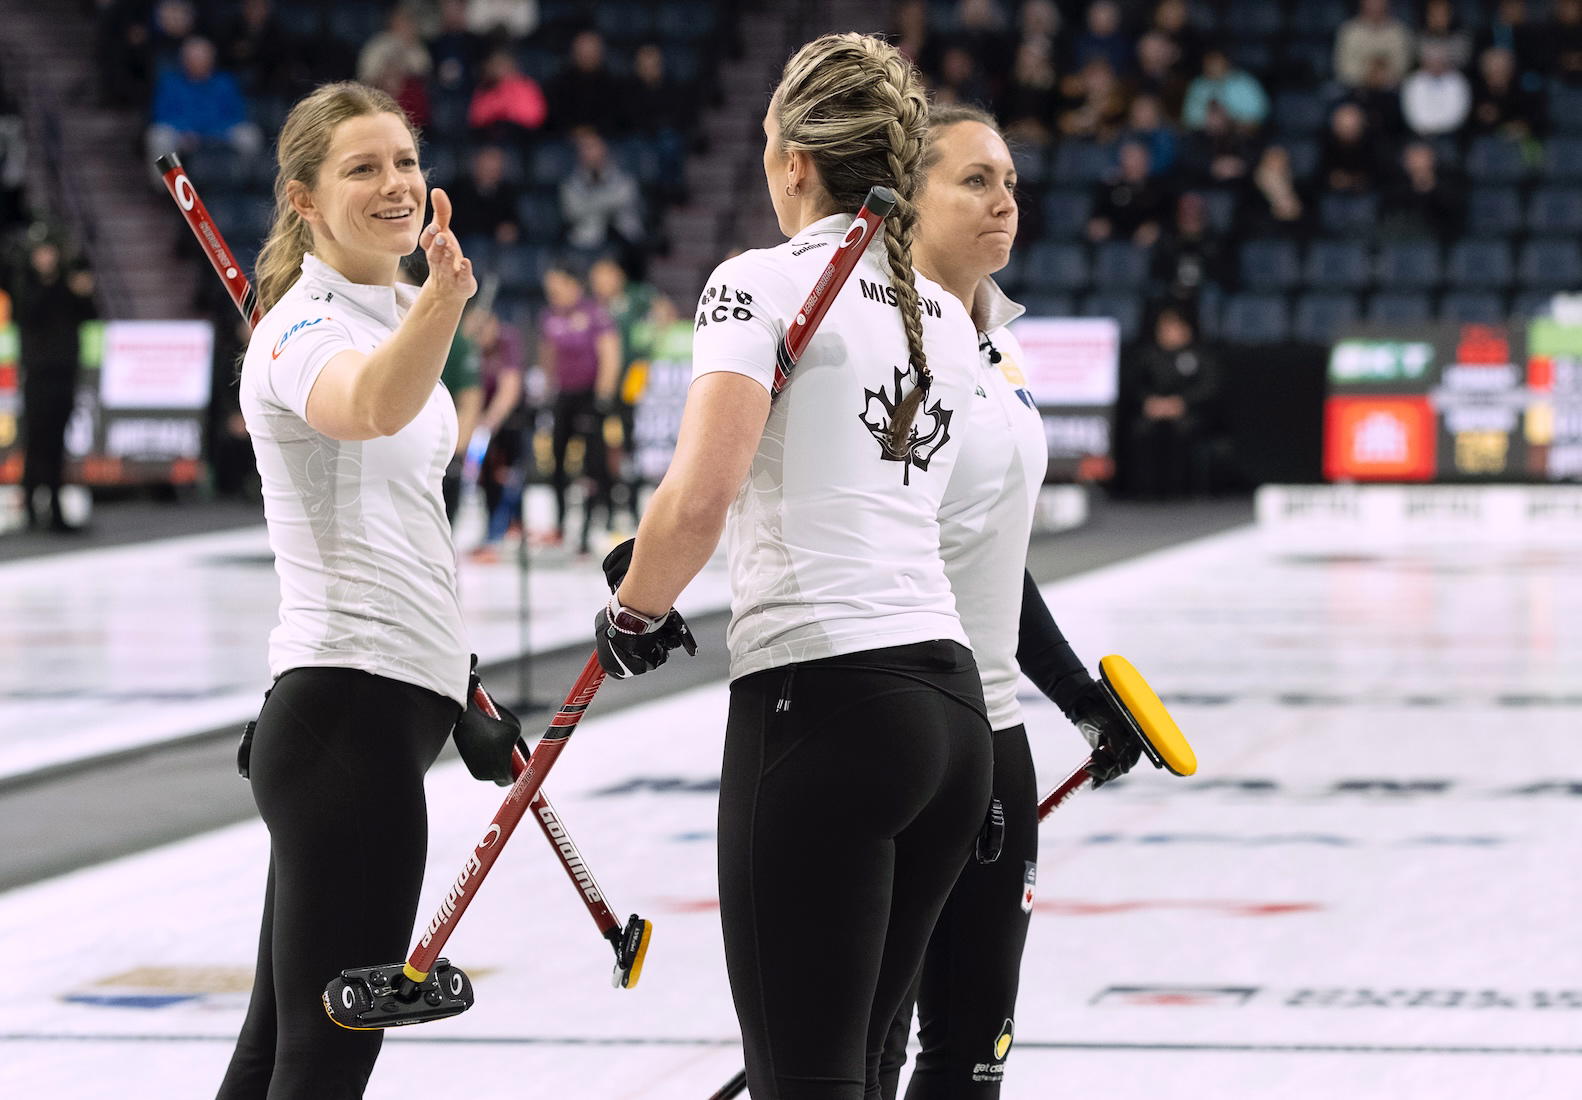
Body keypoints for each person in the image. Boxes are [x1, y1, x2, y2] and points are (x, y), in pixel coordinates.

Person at [592, 33, 990, 1099]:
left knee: (807, 1082)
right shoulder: (948, 315)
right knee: (856, 1067)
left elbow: (696, 500)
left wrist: (632, 612)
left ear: (794, 161)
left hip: (824, 704)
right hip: (948, 713)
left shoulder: (755, 282)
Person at [215, 81, 476, 1099]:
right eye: (362, 167)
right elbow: (367, 408)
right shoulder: (297, 329)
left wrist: (463, 681)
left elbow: (408, 525)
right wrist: (451, 300)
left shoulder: (403, 311)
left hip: (387, 703)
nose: (394, 183)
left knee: (277, 1052)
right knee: (321, 1065)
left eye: (404, 162)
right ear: (303, 199)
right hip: (344, 717)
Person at [878, 103, 1142, 1100]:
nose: (1004, 202)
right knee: (863, 1049)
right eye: (974, 181)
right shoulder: (886, 345)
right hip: (902, 727)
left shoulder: (999, 342)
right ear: (906, 200)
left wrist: (1081, 696)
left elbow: (993, 555)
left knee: (972, 1049)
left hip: (990, 732)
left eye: (1011, 183)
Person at [12, 239, 96, 532]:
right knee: (37, 443)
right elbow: (32, 311)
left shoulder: (66, 288)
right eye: (42, 254)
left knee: (57, 445)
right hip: (37, 377)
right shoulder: (26, 287)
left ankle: (54, 510)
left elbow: (89, 313)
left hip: (64, 375)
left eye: (51, 253)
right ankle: (34, 508)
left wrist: (84, 290)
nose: (47, 259)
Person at [539, 263, 618, 554]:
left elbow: (609, 354)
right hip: (564, 396)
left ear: (574, 286)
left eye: (558, 289)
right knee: (557, 460)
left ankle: (589, 527)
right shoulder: (550, 316)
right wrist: (547, 388)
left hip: (589, 397)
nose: (553, 295)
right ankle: (560, 524)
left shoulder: (594, 314)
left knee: (592, 464)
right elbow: (548, 353)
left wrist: (603, 396)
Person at [1123, 304, 1222, 499]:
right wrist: (1150, 402)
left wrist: (1181, 402)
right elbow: (1134, 386)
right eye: (1163, 329)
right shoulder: (1147, 355)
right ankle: (1145, 491)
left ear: (1186, 330)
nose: (1168, 333)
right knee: (1141, 431)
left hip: (1190, 414)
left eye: (1173, 328)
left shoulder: (1200, 356)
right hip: (1153, 412)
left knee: (1184, 431)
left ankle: (1182, 491)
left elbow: (1209, 387)